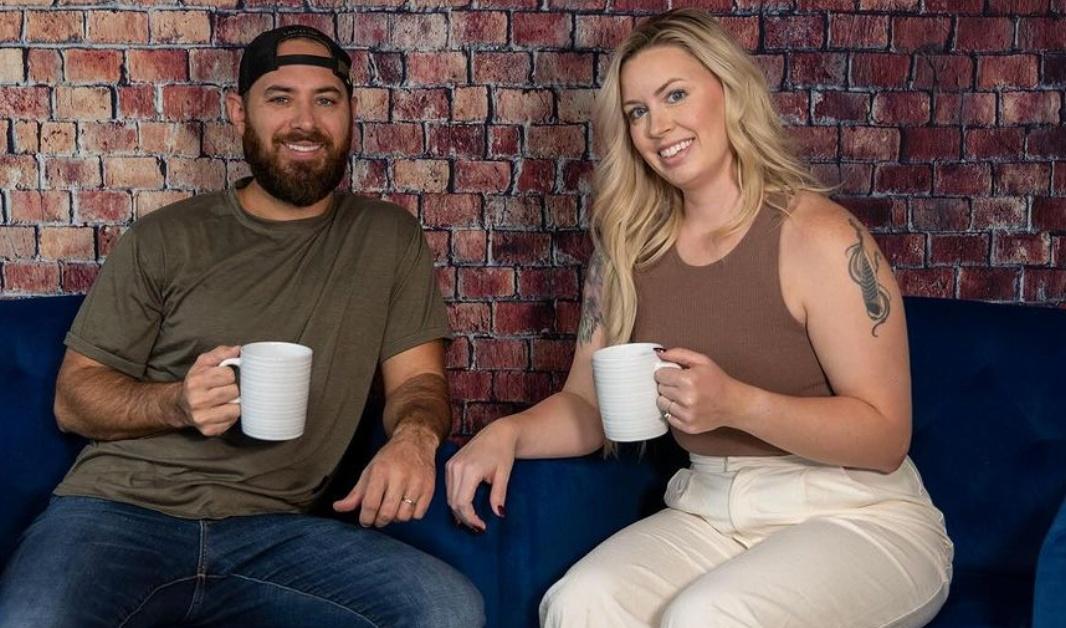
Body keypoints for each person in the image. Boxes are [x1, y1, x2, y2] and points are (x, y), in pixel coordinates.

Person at [445, 9, 952, 627]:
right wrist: (509, 434)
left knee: (708, 617)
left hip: (859, 514)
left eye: (676, 95)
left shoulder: (819, 235)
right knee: (580, 605)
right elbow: (588, 407)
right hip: (709, 508)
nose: (659, 126)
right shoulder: (626, 250)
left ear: (729, 92)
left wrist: (737, 404)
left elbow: (883, 438)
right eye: (638, 112)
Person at [0, 25, 483, 628]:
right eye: (280, 98)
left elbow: (419, 383)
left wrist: (415, 439)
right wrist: (177, 402)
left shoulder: (389, 238)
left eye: (326, 100)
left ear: (350, 113)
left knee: (447, 609)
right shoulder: (166, 238)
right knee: (32, 619)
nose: (305, 121)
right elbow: (76, 400)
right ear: (239, 113)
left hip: (277, 533)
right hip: (119, 513)